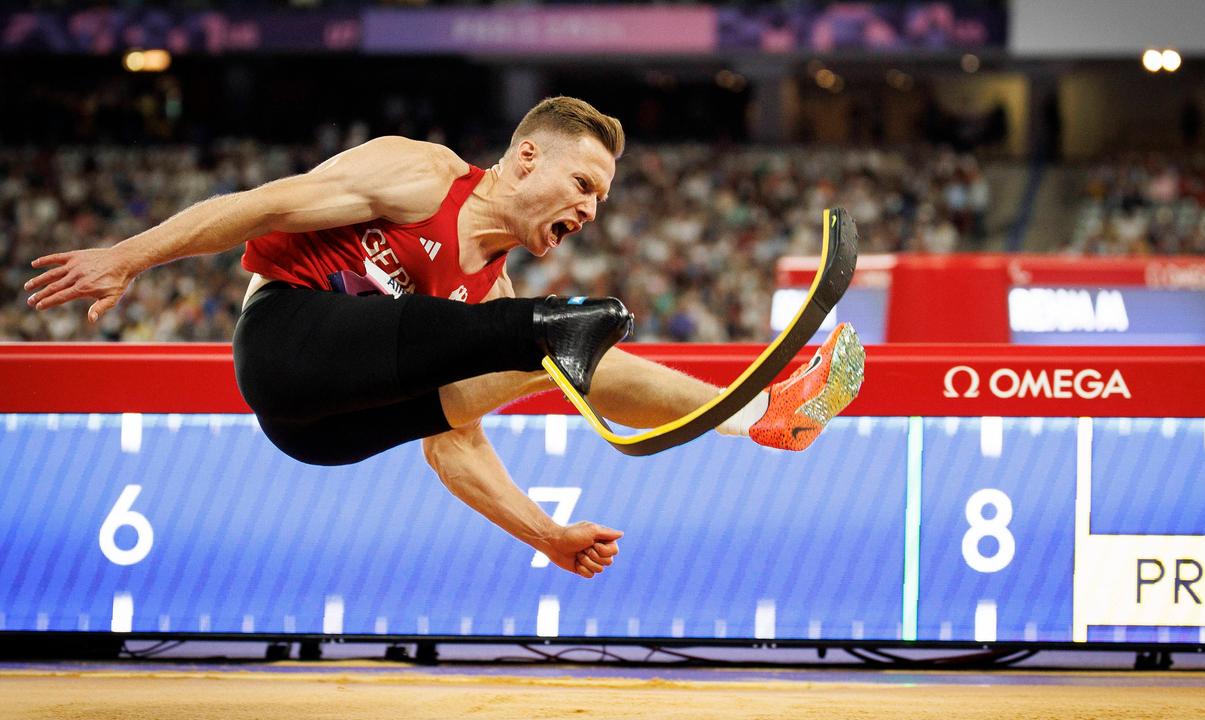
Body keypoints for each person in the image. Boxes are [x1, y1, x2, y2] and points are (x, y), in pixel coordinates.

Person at [25, 97, 864, 580]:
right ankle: (576, 339)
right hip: (285, 346)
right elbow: (261, 207)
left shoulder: (486, 299)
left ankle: (757, 419)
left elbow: (451, 448)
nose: (590, 212)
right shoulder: (422, 174)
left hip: (326, 435)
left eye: (602, 201)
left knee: (547, 356)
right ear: (525, 158)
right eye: (583, 184)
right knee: (533, 339)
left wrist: (545, 533)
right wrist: (128, 258)